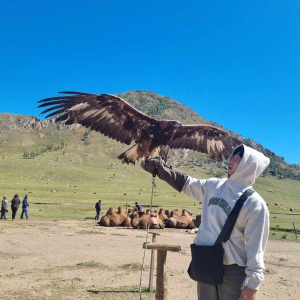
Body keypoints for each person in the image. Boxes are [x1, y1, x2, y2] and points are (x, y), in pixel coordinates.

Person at [141, 144, 270, 300]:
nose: (232, 160)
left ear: (249, 165)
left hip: (233, 271)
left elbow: (256, 247)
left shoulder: (254, 204)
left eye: (239, 158)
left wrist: (253, 284)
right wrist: (162, 171)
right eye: (233, 156)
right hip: (205, 262)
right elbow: (187, 184)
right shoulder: (214, 185)